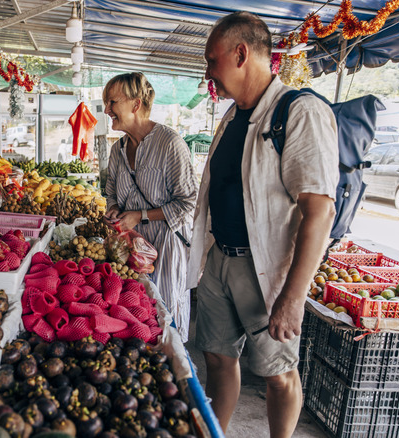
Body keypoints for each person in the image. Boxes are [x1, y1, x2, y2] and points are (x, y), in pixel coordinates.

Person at [185, 12, 338, 437]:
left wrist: (292, 297)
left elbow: (319, 211)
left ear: (240, 53)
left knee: (278, 372)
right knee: (216, 358)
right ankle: (217, 431)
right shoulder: (233, 117)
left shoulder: (298, 111)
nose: (208, 71)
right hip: (221, 260)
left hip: (265, 267)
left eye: (212, 60)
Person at [103, 72, 198, 342]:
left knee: (163, 318)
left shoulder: (170, 144)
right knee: (135, 316)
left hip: (165, 248)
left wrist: (141, 216)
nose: (107, 110)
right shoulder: (117, 150)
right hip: (129, 248)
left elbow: (188, 202)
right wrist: (113, 210)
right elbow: (111, 192)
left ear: (135, 104)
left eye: (112, 102)